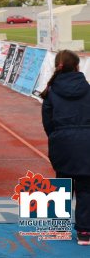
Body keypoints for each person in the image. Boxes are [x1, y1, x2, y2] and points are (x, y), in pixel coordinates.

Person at [40, 50, 90, 246]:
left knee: (62, 183)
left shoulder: (51, 91)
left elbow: (47, 122)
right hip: (87, 141)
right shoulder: (88, 89)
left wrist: (56, 138)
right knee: (86, 187)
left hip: (62, 141)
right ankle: (85, 233)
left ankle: (58, 227)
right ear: (78, 66)